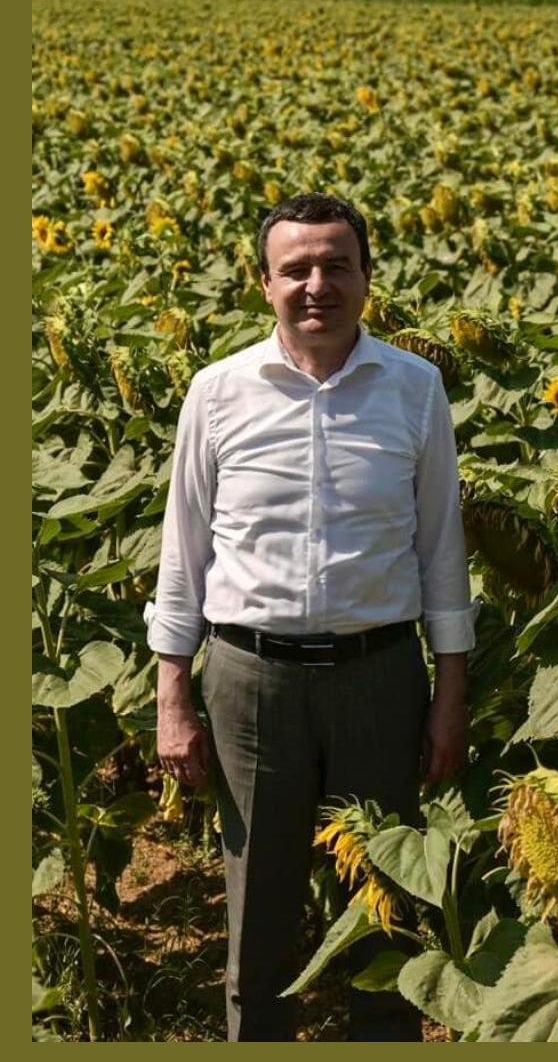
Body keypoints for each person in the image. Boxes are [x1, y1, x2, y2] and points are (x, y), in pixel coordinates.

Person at [144, 193, 477, 1042]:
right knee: (259, 910)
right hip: (250, 679)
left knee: (387, 910)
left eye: (336, 265)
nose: (316, 285)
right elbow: (184, 552)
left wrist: (450, 693)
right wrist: (172, 695)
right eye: (296, 269)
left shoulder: (415, 389)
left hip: (379, 674)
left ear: (366, 278)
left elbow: (442, 549)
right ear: (265, 284)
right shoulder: (217, 392)